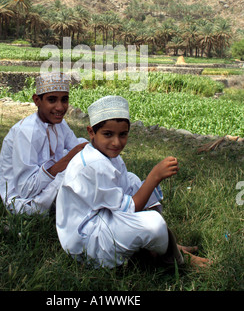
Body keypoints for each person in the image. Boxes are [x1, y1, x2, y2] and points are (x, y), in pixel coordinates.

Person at [56, 95, 210, 268]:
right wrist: (154, 176)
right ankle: (174, 258)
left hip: (101, 219)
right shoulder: (94, 165)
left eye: (122, 135)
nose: (116, 142)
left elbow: (127, 196)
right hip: (87, 243)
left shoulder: (105, 155)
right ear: (91, 132)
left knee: (132, 180)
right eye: (108, 134)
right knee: (154, 224)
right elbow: (131, 208)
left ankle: (170, 246)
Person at [0, 72, 88, 215]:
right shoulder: (26, 132)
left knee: (84, 145)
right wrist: (67, 160)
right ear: (37, 100)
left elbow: (75, 147)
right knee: (76, 170)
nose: (60, 107)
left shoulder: (59, 123)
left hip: (46, 184)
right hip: (26, 201)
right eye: (52, 100)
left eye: (64, 100)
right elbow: (26, 189)